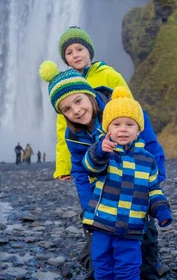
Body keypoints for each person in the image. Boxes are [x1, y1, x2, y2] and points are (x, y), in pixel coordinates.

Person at [39, 61, 166, 280]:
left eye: (78, 101)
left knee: (145, 231)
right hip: (103, 190)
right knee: (95, 231)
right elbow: (78, 169)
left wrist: (153, 186)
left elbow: (150, 144)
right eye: (66, 109)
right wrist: (88, 206)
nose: (75, 110)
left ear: (88, 94)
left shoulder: (122, 110)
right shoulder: (72, 133)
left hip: (137, 182)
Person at [79, 87, 173, 280]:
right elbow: (90, 165)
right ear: (107, 128)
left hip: (131, 225)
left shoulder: (147, 160)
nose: (122, 130)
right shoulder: (103, 153)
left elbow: (153, 189)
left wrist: (161, 209)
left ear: (139, 129)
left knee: (128, 263)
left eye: (129, 125)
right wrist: (100, 149)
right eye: (116, 124)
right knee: (101, 259)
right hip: (102, 222)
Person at [53, 26, 129, 181]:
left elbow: (132, 109)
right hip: (89, 156)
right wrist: (63, 166)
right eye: (69, 53)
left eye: (79, 49)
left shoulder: (109, 75)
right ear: (65, 59)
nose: (75, 55)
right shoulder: (66, 88)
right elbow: (64, 129)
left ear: (89, 50)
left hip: (118, 148)